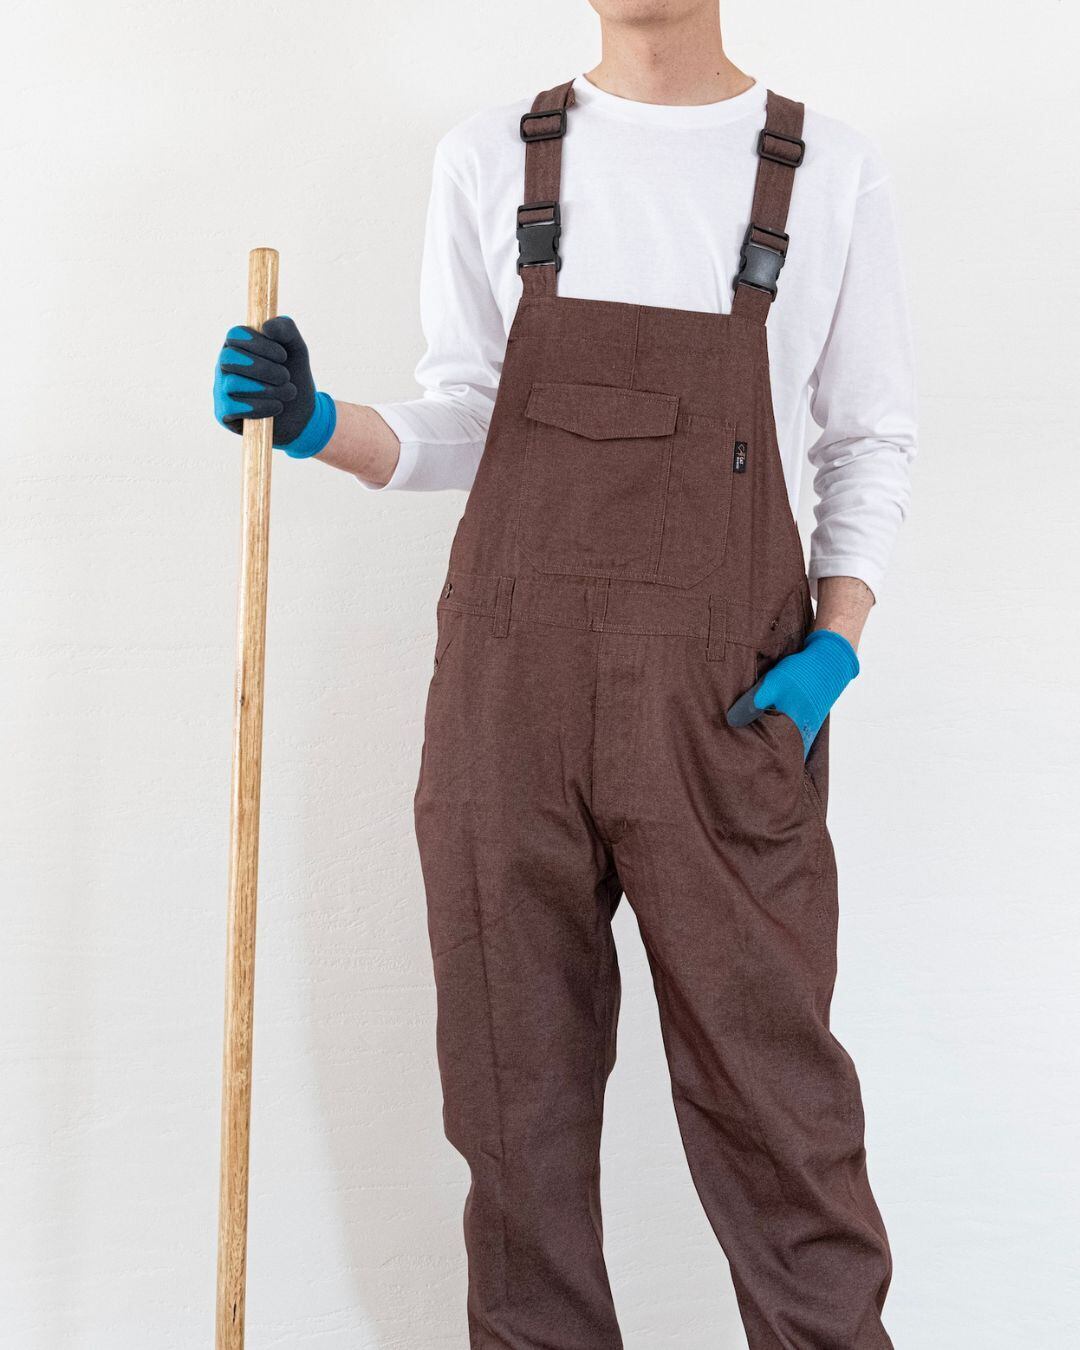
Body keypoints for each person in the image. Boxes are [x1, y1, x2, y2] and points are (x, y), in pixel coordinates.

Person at [213, 1, 915, 1343]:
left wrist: (835, 646)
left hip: (727, 714)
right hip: (508, 703)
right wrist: (315, 424)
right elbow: (470, 420)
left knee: (782, 1119)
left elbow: (868, 438)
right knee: (512, 1117)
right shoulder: (493, 156)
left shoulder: (825, 167)